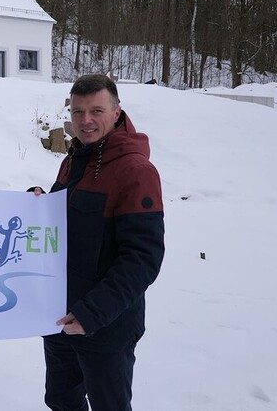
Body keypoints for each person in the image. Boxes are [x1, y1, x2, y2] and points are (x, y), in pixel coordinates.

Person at [33, 73, 164, 411]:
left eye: (96, 111)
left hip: (104, 326)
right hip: (60, 318)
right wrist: (38, 206)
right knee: (61, 400)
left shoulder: (136, 171)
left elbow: (142, 258)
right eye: (78, 111)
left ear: (116, 112)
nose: (85, 120)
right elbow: (65, 226)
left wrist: (91, 314)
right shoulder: (73, 161)